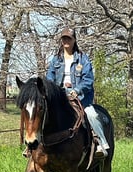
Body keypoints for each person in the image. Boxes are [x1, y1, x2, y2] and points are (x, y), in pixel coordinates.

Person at [46, 27, 109, 157]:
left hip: (80, 98)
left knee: (92, 115)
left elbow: (88, 79)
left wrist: (76, 90)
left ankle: (100, 143)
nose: (66, 41)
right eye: (64, 38)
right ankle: (35, 145)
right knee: (42, 114)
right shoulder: (55, 60)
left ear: (74, 40)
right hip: (61, 97)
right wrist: (55, 90)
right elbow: (49, 79)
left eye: (69, 38)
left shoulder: (83, 59)